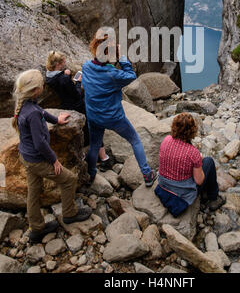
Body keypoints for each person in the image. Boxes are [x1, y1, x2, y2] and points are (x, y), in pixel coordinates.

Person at [12, 69, 92, 244]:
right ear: (35, 90)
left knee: (34, 191)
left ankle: (36, 228)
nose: (43, 86)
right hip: (37, 159)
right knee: (69, 179)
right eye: (41, 85)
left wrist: (56, 120)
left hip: (27, 156)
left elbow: (42, 112)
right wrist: (54, 160)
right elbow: (40, 143)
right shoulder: (31, 112)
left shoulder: (27, 104)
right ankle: (70, 214)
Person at [81, 32, 156, 186]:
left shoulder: (86, 67)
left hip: (94, 116)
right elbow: (131, 75)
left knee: (95, 144)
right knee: (135, 140)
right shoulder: (113, 74)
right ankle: (147, 174)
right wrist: (122, 57)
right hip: (113, 118)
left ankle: (90, 174)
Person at [45, 51, 110, 171]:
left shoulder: (49, 77)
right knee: (94, 129)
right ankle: (104, 158)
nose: (66, 63)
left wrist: (66, 75)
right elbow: (77, 94)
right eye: (63, 62)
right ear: (59, 64)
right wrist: (78, 82)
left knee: (81, 132)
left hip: (65, 107)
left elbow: (61, 83)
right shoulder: (64, 78)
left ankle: (84, 156)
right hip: (78, 106)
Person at [157, 112, 224, 212]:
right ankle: (213, 198)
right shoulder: (193, 153)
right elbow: (199, 181)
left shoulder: (166, 140)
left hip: (163, 183)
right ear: (192, 131)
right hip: (181, 193)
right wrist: (198, 163)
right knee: (209, 162)